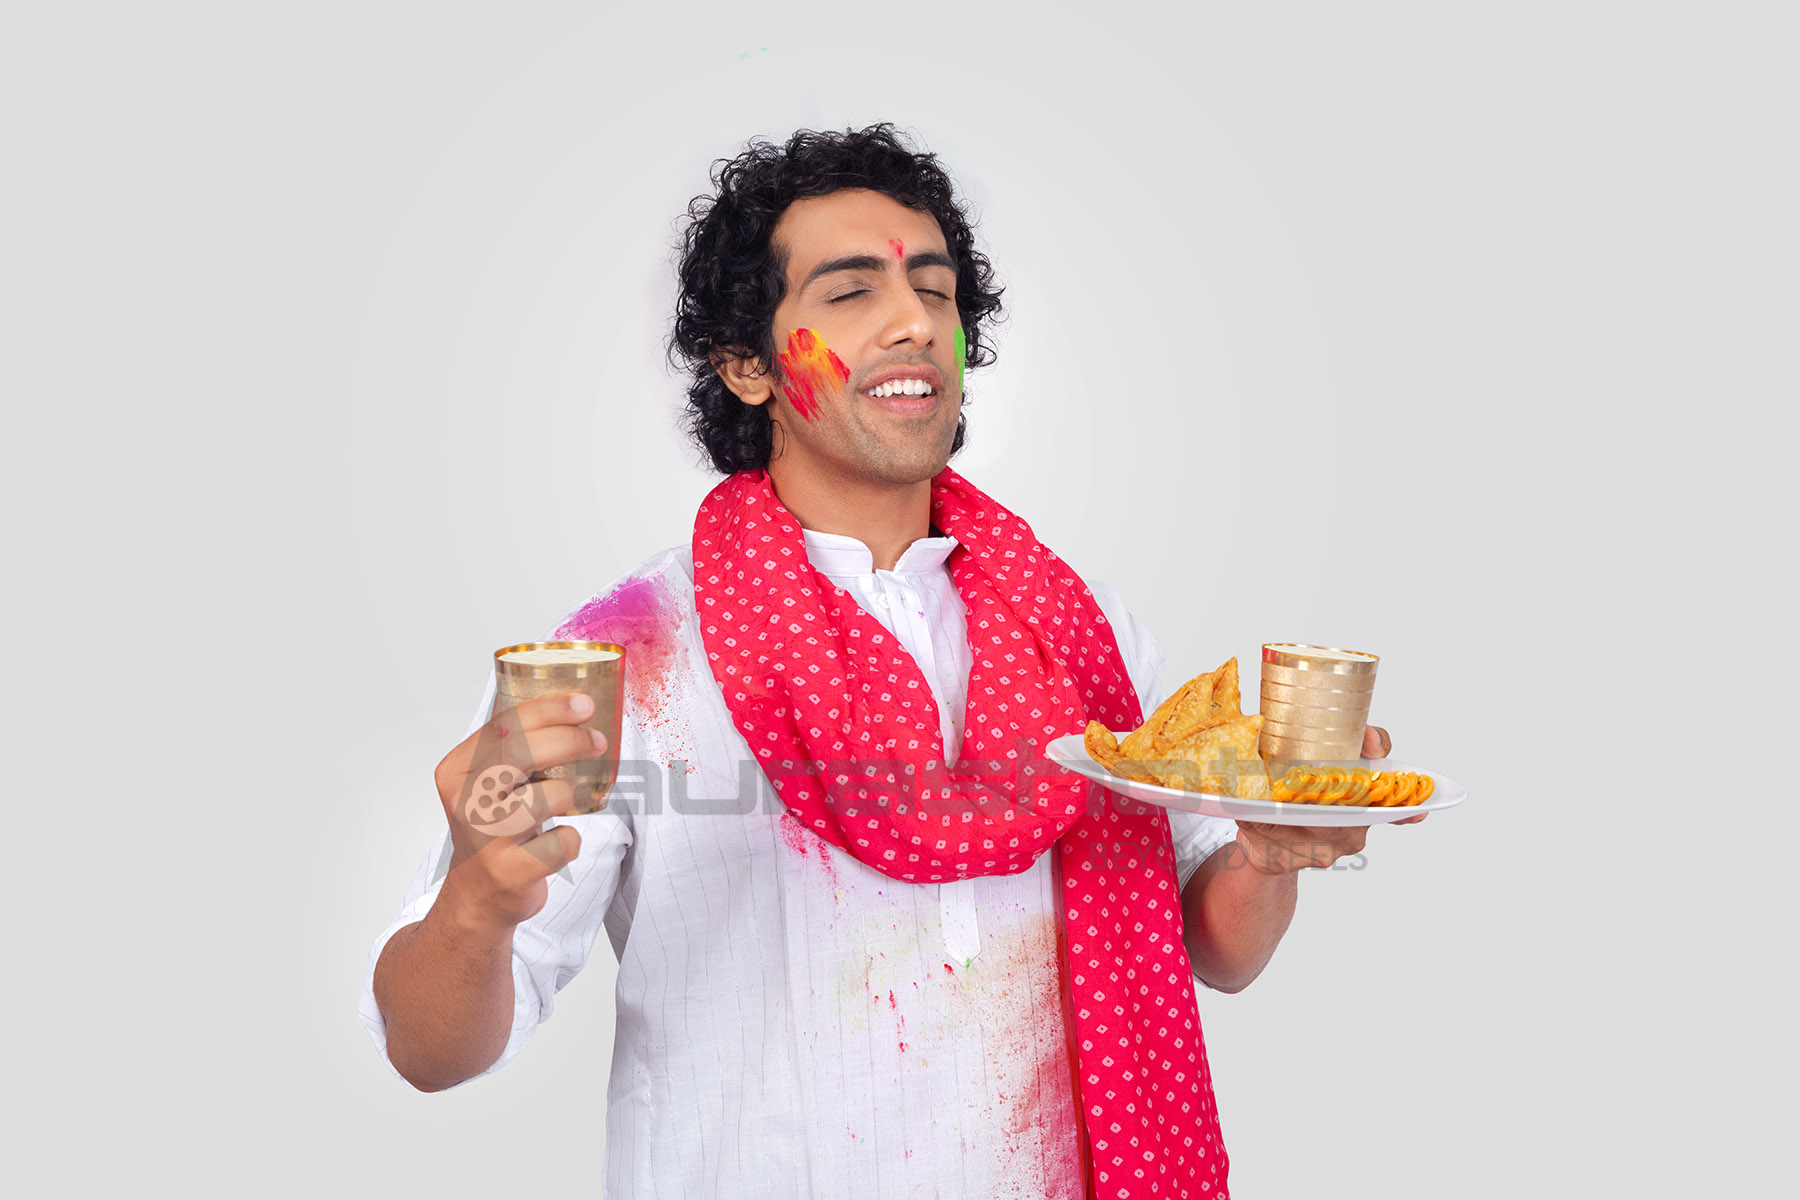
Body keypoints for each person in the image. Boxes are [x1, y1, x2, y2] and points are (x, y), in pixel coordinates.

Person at [360, 124, 1403, 1200]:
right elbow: (430, 1051)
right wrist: (477, 903)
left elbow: (1215, 945)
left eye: (938, 293)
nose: (914, 321)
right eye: (851, 293)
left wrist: (1272, 850)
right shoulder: (632, 654)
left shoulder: (1079, 631)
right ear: (748, 365)